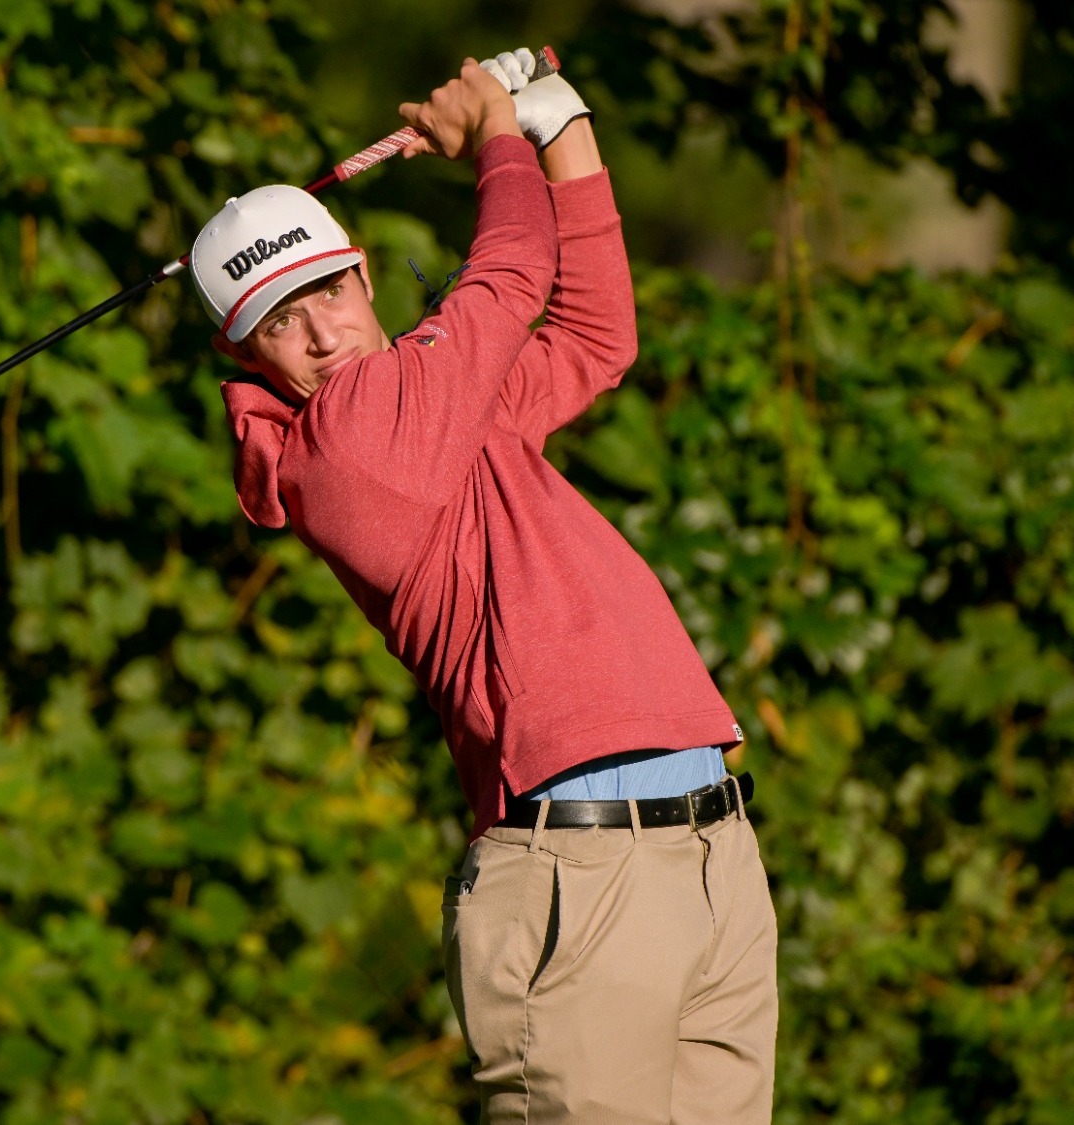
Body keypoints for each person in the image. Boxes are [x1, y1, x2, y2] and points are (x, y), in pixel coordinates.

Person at [191, 51, 777, 1124]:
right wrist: (495, 138)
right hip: (573, 879)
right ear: (246, 354)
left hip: (708, 852)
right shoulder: (347, 447)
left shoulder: (443, 409)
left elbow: (594, 337)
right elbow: (507, 280)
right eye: (280, 321)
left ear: (361, 277)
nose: (319, 333)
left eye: (324, 292)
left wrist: (559, 126)